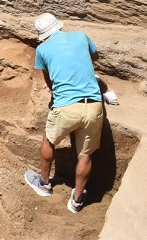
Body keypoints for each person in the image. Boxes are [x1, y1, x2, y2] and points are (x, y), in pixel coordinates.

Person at [23, 12, 113, 213]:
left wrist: (55, 89)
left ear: (43, 35)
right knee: (85, 155)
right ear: (59, 26)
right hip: (94, 106)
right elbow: (94, 56)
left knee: (49, 141)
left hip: (66, 107)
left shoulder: (42, 49)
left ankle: (44, 184)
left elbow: (49, 80)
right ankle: (77, 200)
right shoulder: (81, 35)